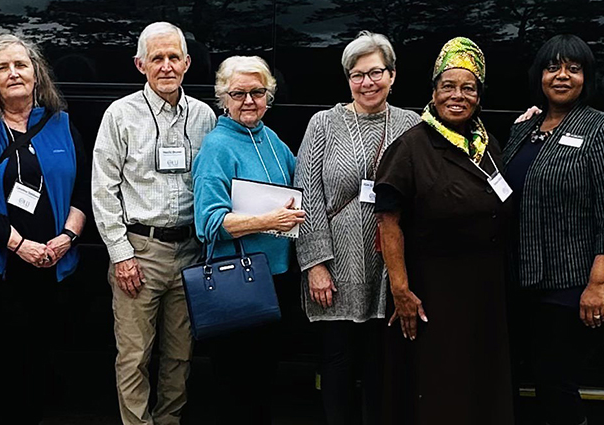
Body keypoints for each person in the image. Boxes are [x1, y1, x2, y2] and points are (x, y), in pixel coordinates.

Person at [0, 33, 90, 425]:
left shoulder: (60, 123)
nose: (14, 74)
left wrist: (68, 238)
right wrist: (21, 245)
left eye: (21, 65)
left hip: (53, 264)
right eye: (3, 67)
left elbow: (84, 188)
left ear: (36, 73)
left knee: (40, 359)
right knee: (6, 360)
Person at [373, 37, 515, 425]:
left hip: (483, 289)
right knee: (438, 384)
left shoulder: (488, 145)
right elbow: (388, 221)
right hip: (431, 289)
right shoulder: (411, 147)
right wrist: (401, 290)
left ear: (479, 96)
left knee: (479, 384)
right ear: (433, 92)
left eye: (468, 88)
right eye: (447, 86)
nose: (457, 96)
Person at [500, 34, 604, 425]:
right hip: (525, 282)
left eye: (573, 69)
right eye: (552, 67)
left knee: (554, 379)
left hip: (574, 286)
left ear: (586, 78)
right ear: (539, 76)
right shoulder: (524, 129)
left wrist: (597, 286)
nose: (562, 76)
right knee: (530, 378)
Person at [91, 22, 217, 425]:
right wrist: (121, 255)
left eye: (173, 57)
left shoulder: (204, 117)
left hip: (190, 251)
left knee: (181, 354)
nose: (166, 66)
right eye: (157, 58)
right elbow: (103, 190)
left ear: (187, 63)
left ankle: (169, 420)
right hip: (140, 252)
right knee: (135, 355)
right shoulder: (120, 115)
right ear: (140, 64)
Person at [294, 31, 419, 425]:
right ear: (348, 79)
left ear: (393, 75)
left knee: (382, 366)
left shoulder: (412, 124)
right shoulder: (323, 124)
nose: (367, 82)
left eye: (375, 72)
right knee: (338, 365)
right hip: (336, 269)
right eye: (357, 74)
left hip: (390, 269)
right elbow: (307, 195)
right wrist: (315, 264)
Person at [192, 55, 302, 425]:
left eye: (257, 92)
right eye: (238, 93)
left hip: (275, 278)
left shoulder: (271, 140)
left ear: (269, 95)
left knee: (263, 383)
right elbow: (208, 223)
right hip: (236, 282)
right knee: (238, 387)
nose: (249, 101)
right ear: (223, 98)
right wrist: (269, 220)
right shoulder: (217, 146)